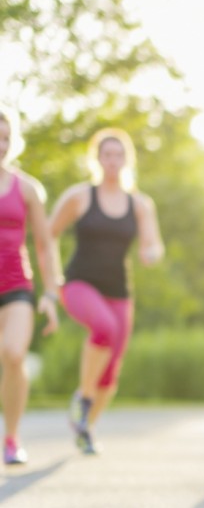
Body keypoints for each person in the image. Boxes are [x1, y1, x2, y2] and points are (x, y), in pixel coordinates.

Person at [49, 128, 164, 455]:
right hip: (77, 284)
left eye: (118, 155)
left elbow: (153, 243)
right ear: (97, 159)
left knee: (111, 373)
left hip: (119, 291)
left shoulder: (140, 204)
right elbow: (49, 234)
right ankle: (83, 399)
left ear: (126, 160)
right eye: (107, 154)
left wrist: (152, 253)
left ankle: (87, 427)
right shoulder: (80, 196)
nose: (113, 161)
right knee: (104, 328)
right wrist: (52, 278)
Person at [0, 109, 60, 465]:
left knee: (14, 353)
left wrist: (51, 292)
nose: (1, 144)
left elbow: (44, 243)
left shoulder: (27, 188)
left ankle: (11, 436)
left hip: (16, 285)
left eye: (6, 137)